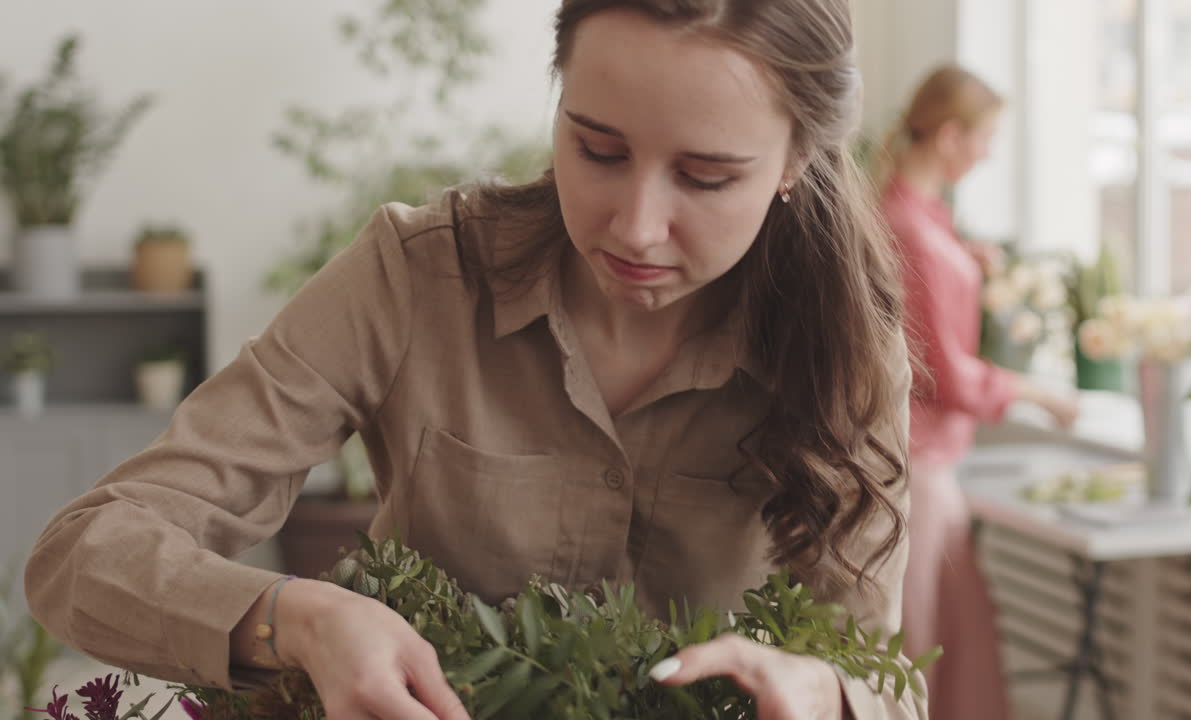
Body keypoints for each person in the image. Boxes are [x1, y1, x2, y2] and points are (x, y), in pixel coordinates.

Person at [26, 2, 925, 718]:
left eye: (706, 176)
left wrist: (824, 693)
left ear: (796, 159)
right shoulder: (416, 276)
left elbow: (874, 671)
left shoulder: (842, 346)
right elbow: (84, 553)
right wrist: (298, 619)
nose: (638, 226)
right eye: (598, 149)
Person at [878, 64, 1080, 720]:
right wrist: (1040, 394)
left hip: (931, 462)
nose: (991, 152)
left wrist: (973, 260)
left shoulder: (918, 215)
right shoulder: (910, 230)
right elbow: (947, 374)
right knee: (922, 646)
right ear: (948, 135)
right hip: (918, 462)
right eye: (985, 136)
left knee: (954, 641)